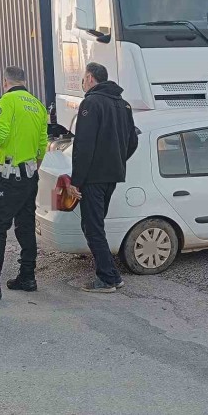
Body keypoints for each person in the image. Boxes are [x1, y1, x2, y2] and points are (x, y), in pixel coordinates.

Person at [0, 66, 48, 302]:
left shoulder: (7, 101)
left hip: (10, 176)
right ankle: (27, 277)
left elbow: (1, 134)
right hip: (30, 176)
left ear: (5, 82)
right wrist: (32, 166)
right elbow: (42, 144)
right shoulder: (37, 104)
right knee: (25, 226)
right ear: (23, 81)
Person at [67, 62, 138, 293]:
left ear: (89, 78)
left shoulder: (91, 103)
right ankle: (110, 275)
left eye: (83, 78)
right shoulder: (123, 105)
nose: (83, 82)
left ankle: (108, 278)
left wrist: (76, 180)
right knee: (95, 224)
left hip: (93, 178)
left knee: (92, 226)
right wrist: (117, 160)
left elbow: (83, 145)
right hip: (113, 175)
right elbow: (132, 141)